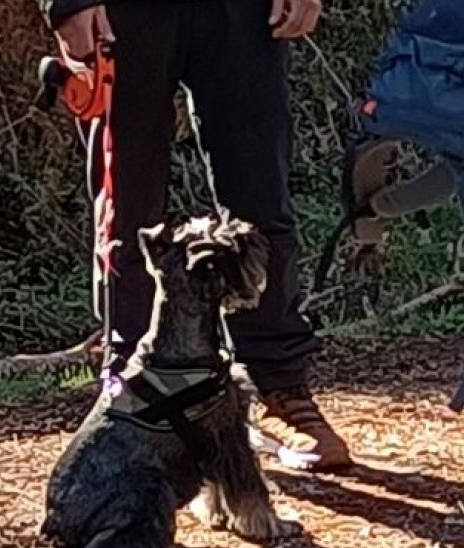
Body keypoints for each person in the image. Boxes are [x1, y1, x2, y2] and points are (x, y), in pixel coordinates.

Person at [36, 0, 352, 469]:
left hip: (242, 13)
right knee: (128, 213)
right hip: (123, 16)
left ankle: (277, 388)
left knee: (261, 203)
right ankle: (128, 397)